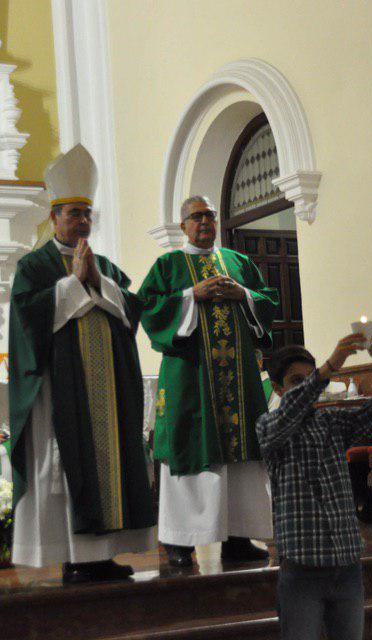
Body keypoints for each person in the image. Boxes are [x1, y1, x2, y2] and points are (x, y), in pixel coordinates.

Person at [8, 144, 156, 583]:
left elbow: (131, 310)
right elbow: (28, 318)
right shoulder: (33, 266)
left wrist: (97, 281)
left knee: (111, 467)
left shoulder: (103, 265)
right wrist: (73, 282)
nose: (82, 221)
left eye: (87, 214)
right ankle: (74, 557)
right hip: (61, 391)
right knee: (68, 470)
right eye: (74, 213)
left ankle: (103, 555)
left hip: (106, 390)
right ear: (54, 217)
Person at [138, 195, 279, 568]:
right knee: (188, 450)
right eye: (196, 217)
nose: (204, 222)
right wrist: (191, 296)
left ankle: (238, 536)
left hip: (238, 377)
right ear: (182, 225)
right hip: (190, 378)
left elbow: (268, 301)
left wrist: (243, 294)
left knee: (241, 457)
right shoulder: (168, 265)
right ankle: (179, 541)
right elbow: (148, 308)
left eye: (210, 216)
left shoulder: (238, 263)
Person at [256, 334, 372, 640]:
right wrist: (329, 367)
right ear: (277, 388)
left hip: (346, 564)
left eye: (311, 378)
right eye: (297, 381)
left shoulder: (331, 421)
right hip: (302, 567)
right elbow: (292, 409)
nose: (308, 386)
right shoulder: (268, 426)